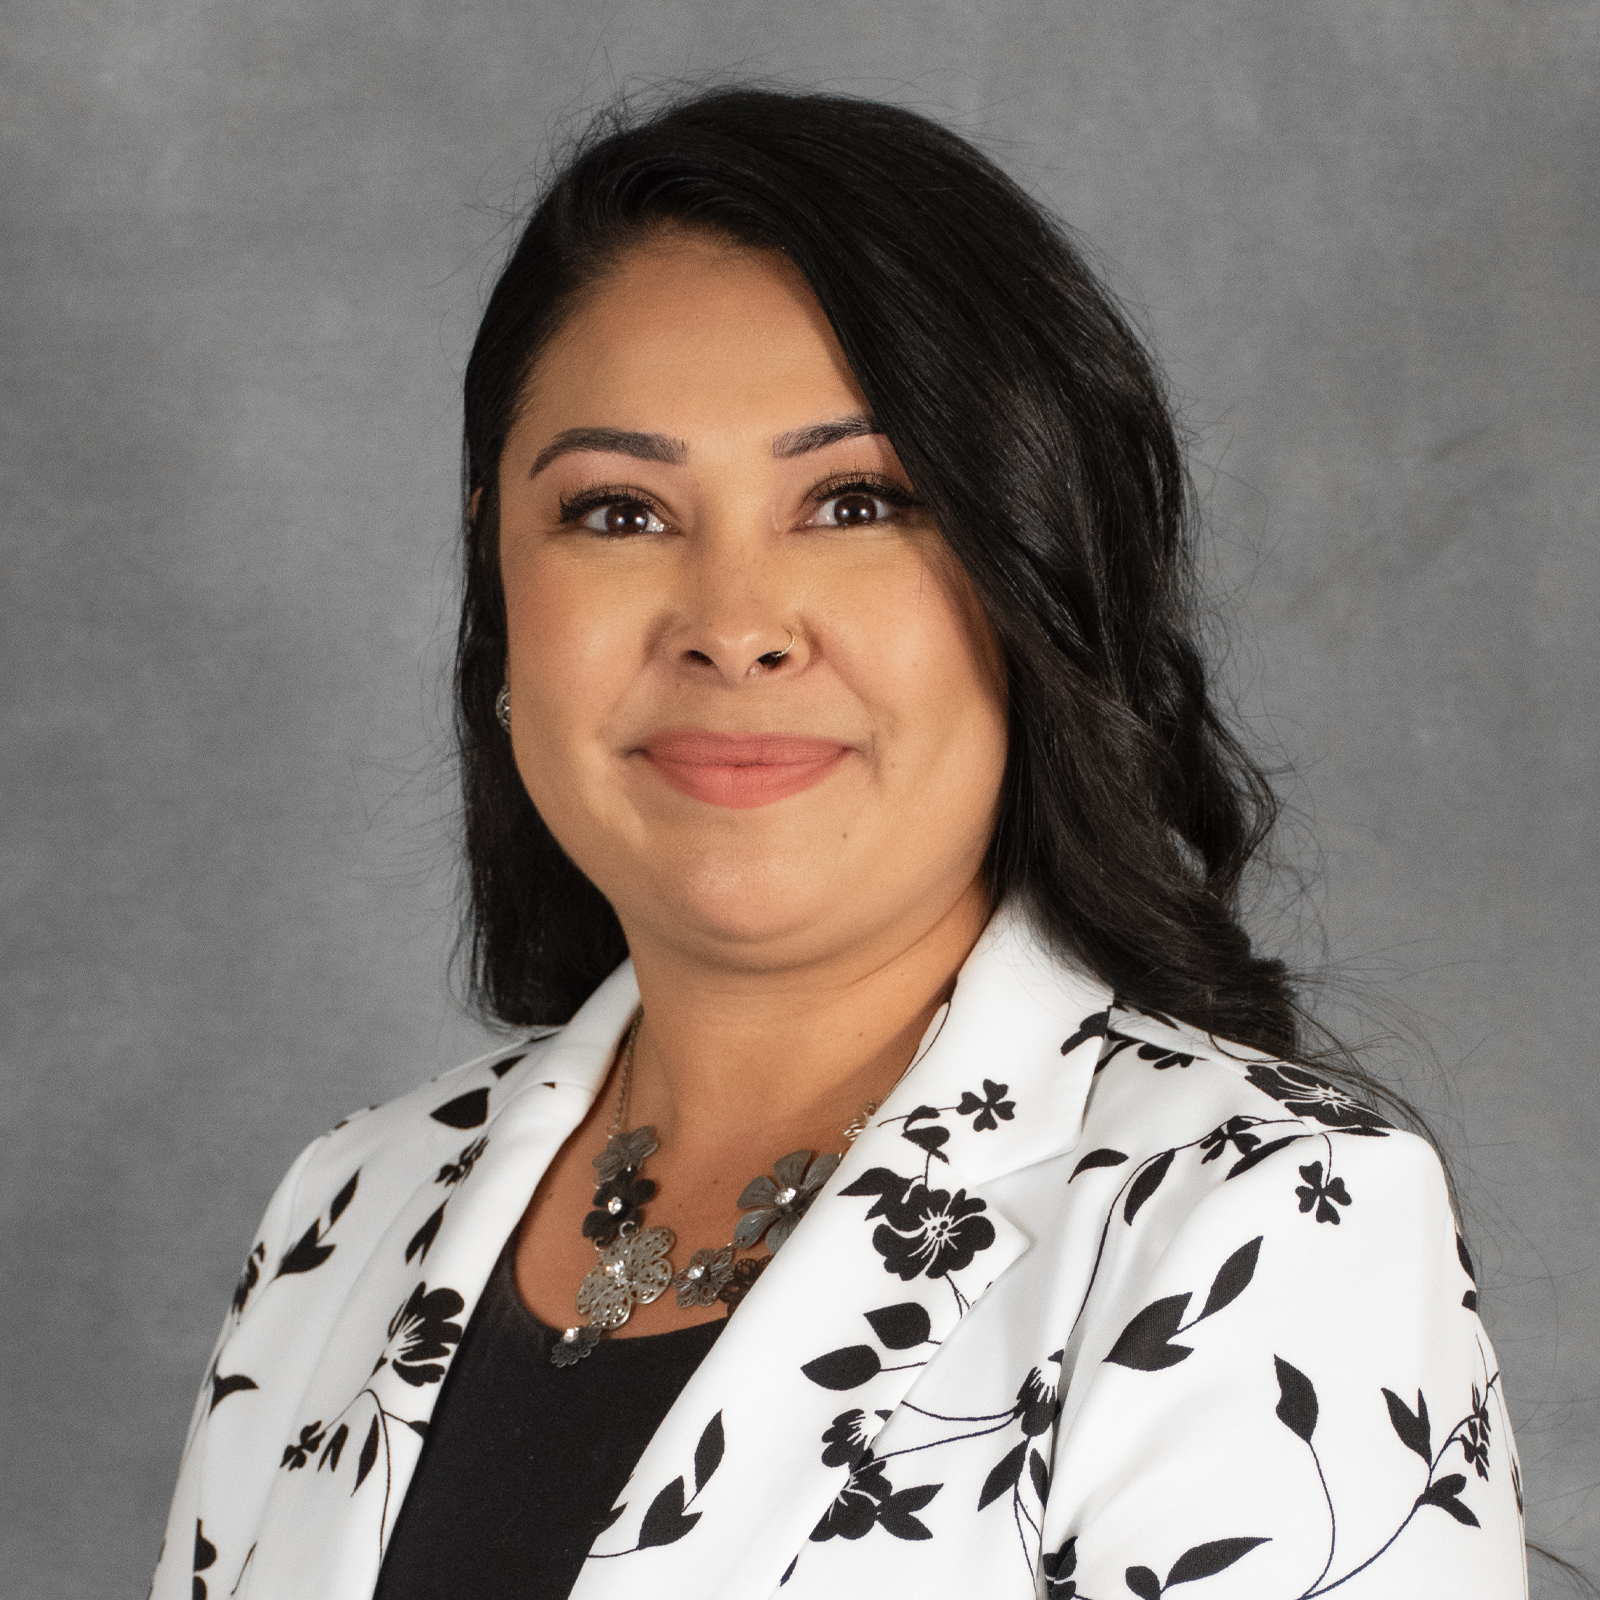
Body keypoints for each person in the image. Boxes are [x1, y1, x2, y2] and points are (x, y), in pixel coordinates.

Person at [152, 88, 1525, 1600]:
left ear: (1033, 579)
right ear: (498, 588)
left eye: (857, 500)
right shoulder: (348, 1210)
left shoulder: (1255, 1218)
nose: (734, 626)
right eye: (617, 512)